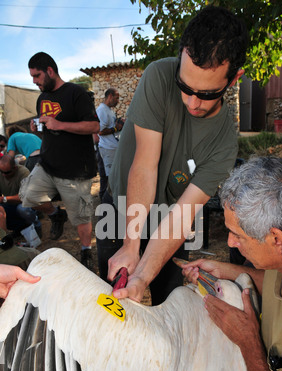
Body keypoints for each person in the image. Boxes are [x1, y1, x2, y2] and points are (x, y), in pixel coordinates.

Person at [96, 5, 248, 305]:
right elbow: (145, 164)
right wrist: (131, 244)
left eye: (206, 94)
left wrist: (141, 277)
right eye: (185, 86)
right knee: (108, 297)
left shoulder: (224, 144)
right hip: (122, 208)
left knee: (168, 300)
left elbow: (182, 215)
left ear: (233, 80)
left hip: (171, 222)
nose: (192, 102)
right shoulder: (158, 76)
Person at [179, 155, 282, 371]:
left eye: (237, 235)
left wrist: (249, 343)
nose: (230, 243)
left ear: (276, 239)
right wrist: (226, 271)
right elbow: (269, 282)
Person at [19, 52, 100, 270]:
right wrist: (39, 129)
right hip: (47, 165)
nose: (34, 81)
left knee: (82, 218)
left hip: (77, 171)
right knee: (27, 195)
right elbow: (50, 130)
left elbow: (94, 127)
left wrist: (59, 125)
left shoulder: (76, 93)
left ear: (50, 71)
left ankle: (85, 252)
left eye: (37, 76)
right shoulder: (42, 98)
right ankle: (57, 215)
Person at [0, 154, 41, 236]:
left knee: (23, 209)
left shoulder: (23, 173)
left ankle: (37, 226)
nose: (3, 175)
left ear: (14, 168)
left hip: (25, 203)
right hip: (9, 204)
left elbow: (26, 196)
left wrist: (4, 199)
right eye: (1, 172)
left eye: (7, 172)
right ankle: (18, 229)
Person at [96, 88, 124, 177]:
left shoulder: (109, 110)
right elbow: (100, 131)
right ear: (110, 96)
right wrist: (116, 129)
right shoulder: (102, 110)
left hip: (112, 148)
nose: (118, 101)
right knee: (110, 178)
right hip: (107, 149)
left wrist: (119, 122)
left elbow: (111, 125)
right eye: (116, 98)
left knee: (113, 177)